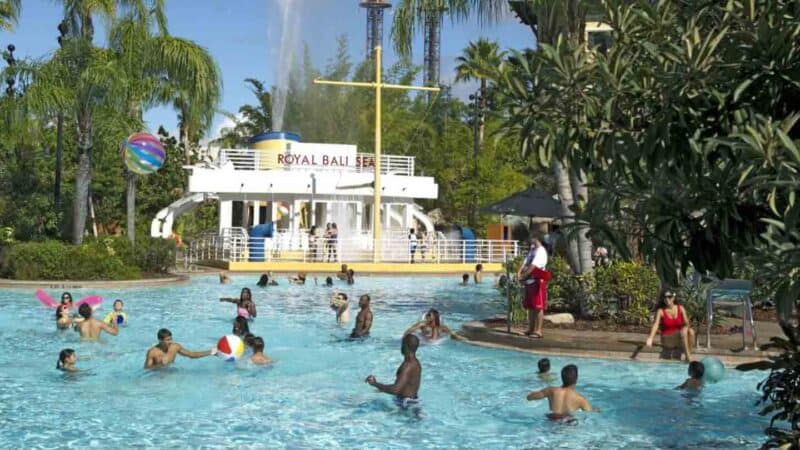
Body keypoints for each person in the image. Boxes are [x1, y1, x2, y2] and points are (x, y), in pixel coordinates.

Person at [365, 334, 421, 409]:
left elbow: (396, 389)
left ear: (405, 345)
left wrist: (375, 384)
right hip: (412, 401)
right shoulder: (416, 363)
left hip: (405, 404)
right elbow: (407, 385)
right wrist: (383, 388)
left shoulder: (407, 366)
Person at [526, 364, 593, 421]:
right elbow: (590, 413)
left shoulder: (550, 390)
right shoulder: (581, 399)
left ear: (562, 377)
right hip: (567, 422)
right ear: (576, 379)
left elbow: (529, 397)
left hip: (551, 420)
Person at [645, 289, 696, 361]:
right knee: (684, 332)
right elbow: (656, 325)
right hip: (667, 338)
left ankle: (688, 355)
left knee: (691, 331)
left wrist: (685, 327)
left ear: (673, 298)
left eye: (669, 297)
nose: (667, 299)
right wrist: (650, 338)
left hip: (680, 337)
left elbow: (687, 323)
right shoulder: (661, 311)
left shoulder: (680, 308)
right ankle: (688, 358)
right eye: (665, 297)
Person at [517, 238, 551, 338]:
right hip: (529, 281)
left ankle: (538, 331)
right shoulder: (532, 250)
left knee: (538, 306)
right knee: (530, 306)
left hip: (537, 280)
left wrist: (523, 276)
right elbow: (525, 262)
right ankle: (530, 329)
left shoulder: (541, 251)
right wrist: (519, 273)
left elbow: (533, 266)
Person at [144, 328, 217, 369]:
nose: (170, 342)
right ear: (160, 340)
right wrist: (160, 364)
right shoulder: (152, 352)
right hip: (158, 376)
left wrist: (211, 352)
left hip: (171, 372)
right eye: (167, 340)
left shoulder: (175, 347)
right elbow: (146, 368)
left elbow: (192, 355)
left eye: (171, 339)